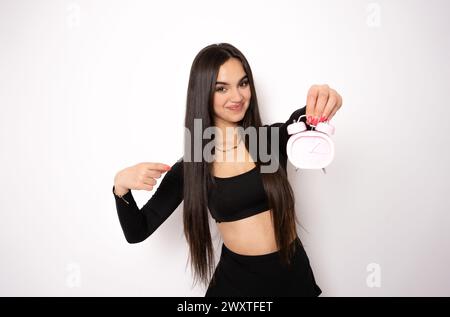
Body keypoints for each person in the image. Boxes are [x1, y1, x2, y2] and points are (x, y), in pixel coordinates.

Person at [112, 43, 343, 296]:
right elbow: (138, 231)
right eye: (222, 88)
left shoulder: (269, 140)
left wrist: (325, 99)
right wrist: (120, 186)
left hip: (294, 280)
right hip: (237, 289)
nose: (237, 96)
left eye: (243, 84)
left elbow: (307, 117)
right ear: (203, 94)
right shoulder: (193, 166)